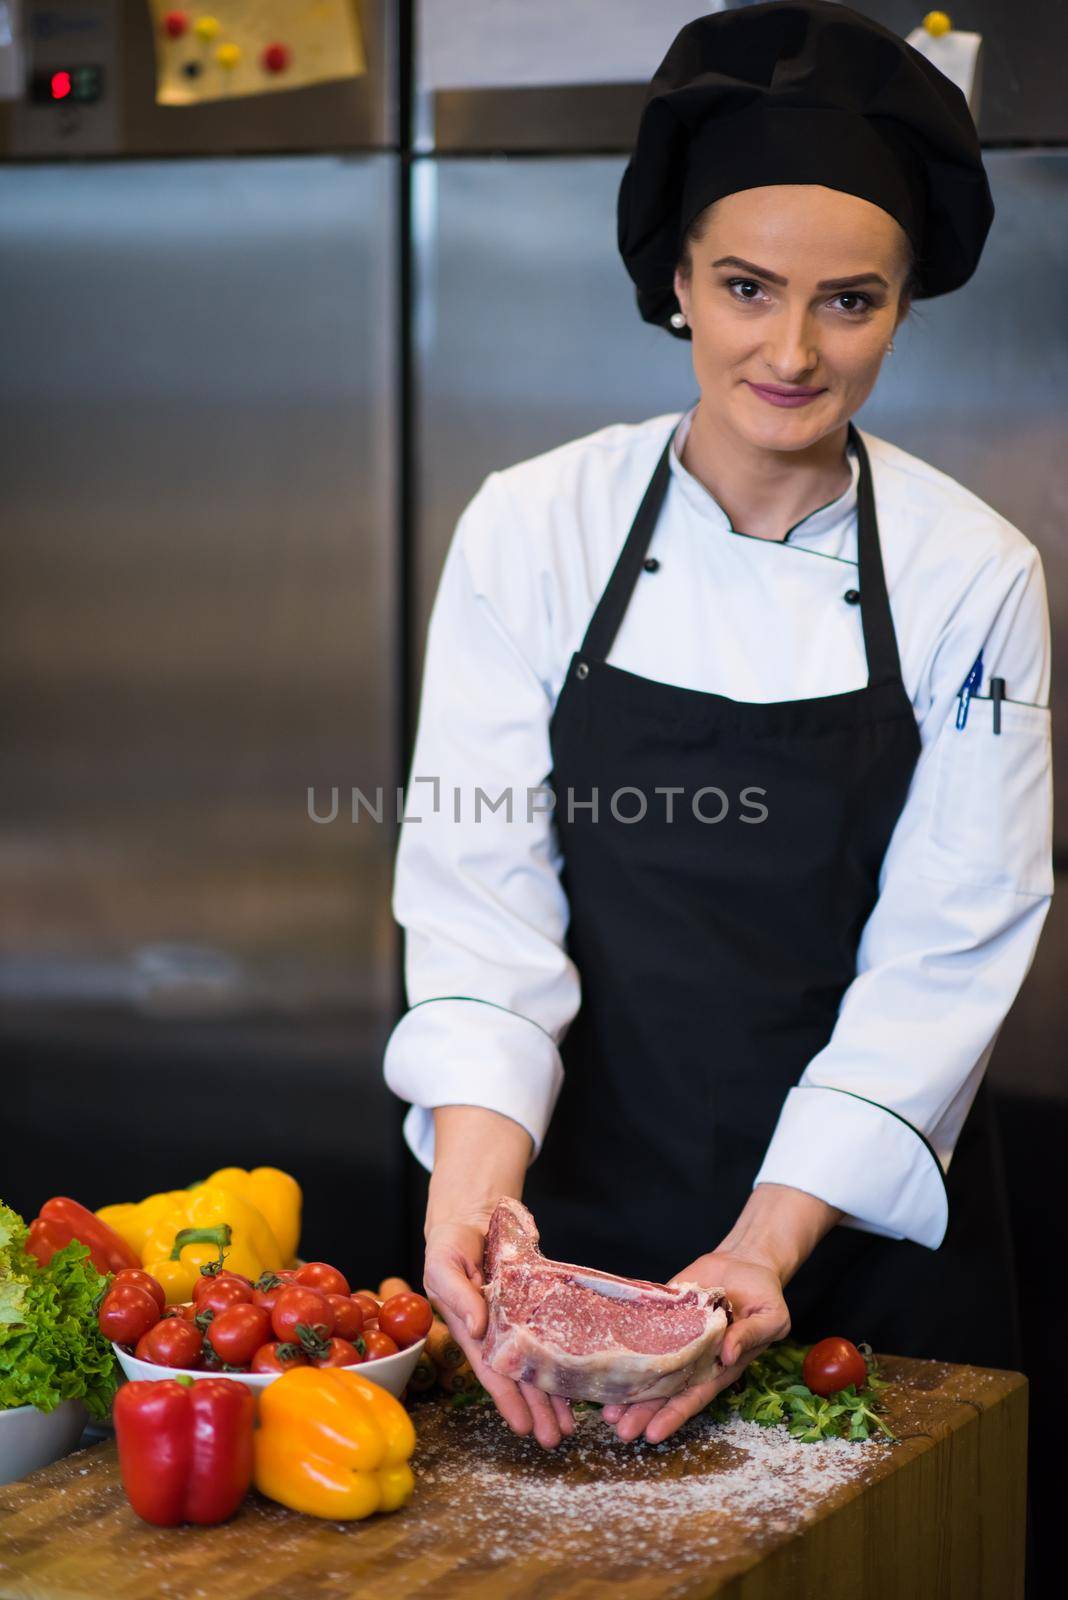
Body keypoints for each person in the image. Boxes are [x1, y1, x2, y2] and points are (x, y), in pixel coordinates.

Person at [383, 1, 1054, 1450]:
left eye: (850, 300)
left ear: (903, 303)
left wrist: (766, 1244)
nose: (794, 350)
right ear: (677, 280)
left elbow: (951, 944)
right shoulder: (535, 526)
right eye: (748, 288)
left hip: (856, 1240)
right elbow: (482, 901)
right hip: (564, 1219)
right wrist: (473, 1192)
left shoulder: (972, 571)